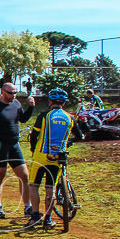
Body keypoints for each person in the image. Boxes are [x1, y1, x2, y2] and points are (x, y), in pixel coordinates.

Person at [0, 82, 35, 218]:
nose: (13, 95)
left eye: (15, 93)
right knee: (0, 176)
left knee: (24, 175)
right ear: (2, 92)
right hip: (0, 144)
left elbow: (23, 119)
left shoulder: (16, 104)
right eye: (10, 93)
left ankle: (27, 206)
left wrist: (31, 107)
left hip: (14, 144)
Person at [26, 88, 74, 228]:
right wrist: (67, 143)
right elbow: (80, 135)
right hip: (58, 157)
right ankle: (48, 219)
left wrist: (33, 149)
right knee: (50, 189)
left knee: (34, 186)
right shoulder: (69, 118)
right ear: (63, 103)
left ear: (50, 101)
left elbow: (34, 136)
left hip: (41, 156)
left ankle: (35, 216)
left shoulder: (44, 116)